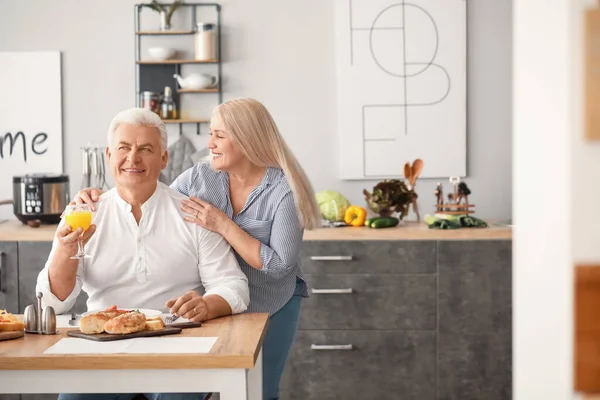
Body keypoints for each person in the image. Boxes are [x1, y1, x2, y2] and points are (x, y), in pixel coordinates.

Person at [74, 98, 322, 400]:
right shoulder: (200, 177)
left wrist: (223, 224)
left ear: (247, 138)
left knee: (259, 392)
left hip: (270, 301)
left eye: (219, 135)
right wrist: (100, 196)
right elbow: (155, 199)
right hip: (222, 299)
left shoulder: (284, 191)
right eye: (210, 134)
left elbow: (280, 265)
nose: (210, 145)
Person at [38, 107, 250, 400]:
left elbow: (233, 285)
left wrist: (207, 304)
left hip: (177, 346)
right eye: (124, 148)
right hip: (101, 349)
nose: (133, 158)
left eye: (145, 149)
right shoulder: (82, 214)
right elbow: (54, 303)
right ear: (109, 156)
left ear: (163, 158)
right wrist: (65, 250)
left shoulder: (193, 213)